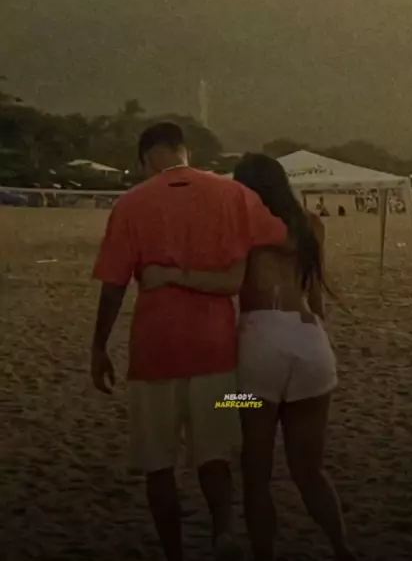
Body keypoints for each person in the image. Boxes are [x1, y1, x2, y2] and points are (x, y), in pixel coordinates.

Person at [90, 124, 288, 561]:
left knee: (158, 464)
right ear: (186, 151)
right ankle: (223, 532)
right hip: (216, 353)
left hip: (154, 354)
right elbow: (279, 235)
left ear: (146, 159)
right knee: (214, 454)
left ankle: (174, 553)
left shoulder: (131, 203)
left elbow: (113, 285)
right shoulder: (233, 194)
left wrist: (98, 347)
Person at [154, 153, 356, 561]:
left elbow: (224, 281)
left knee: (255, 472)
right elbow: (316, 297)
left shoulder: (243, 225)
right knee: (310, 471)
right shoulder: (310, 225)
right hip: (310, 347)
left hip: (261, 347)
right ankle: (343, 550)